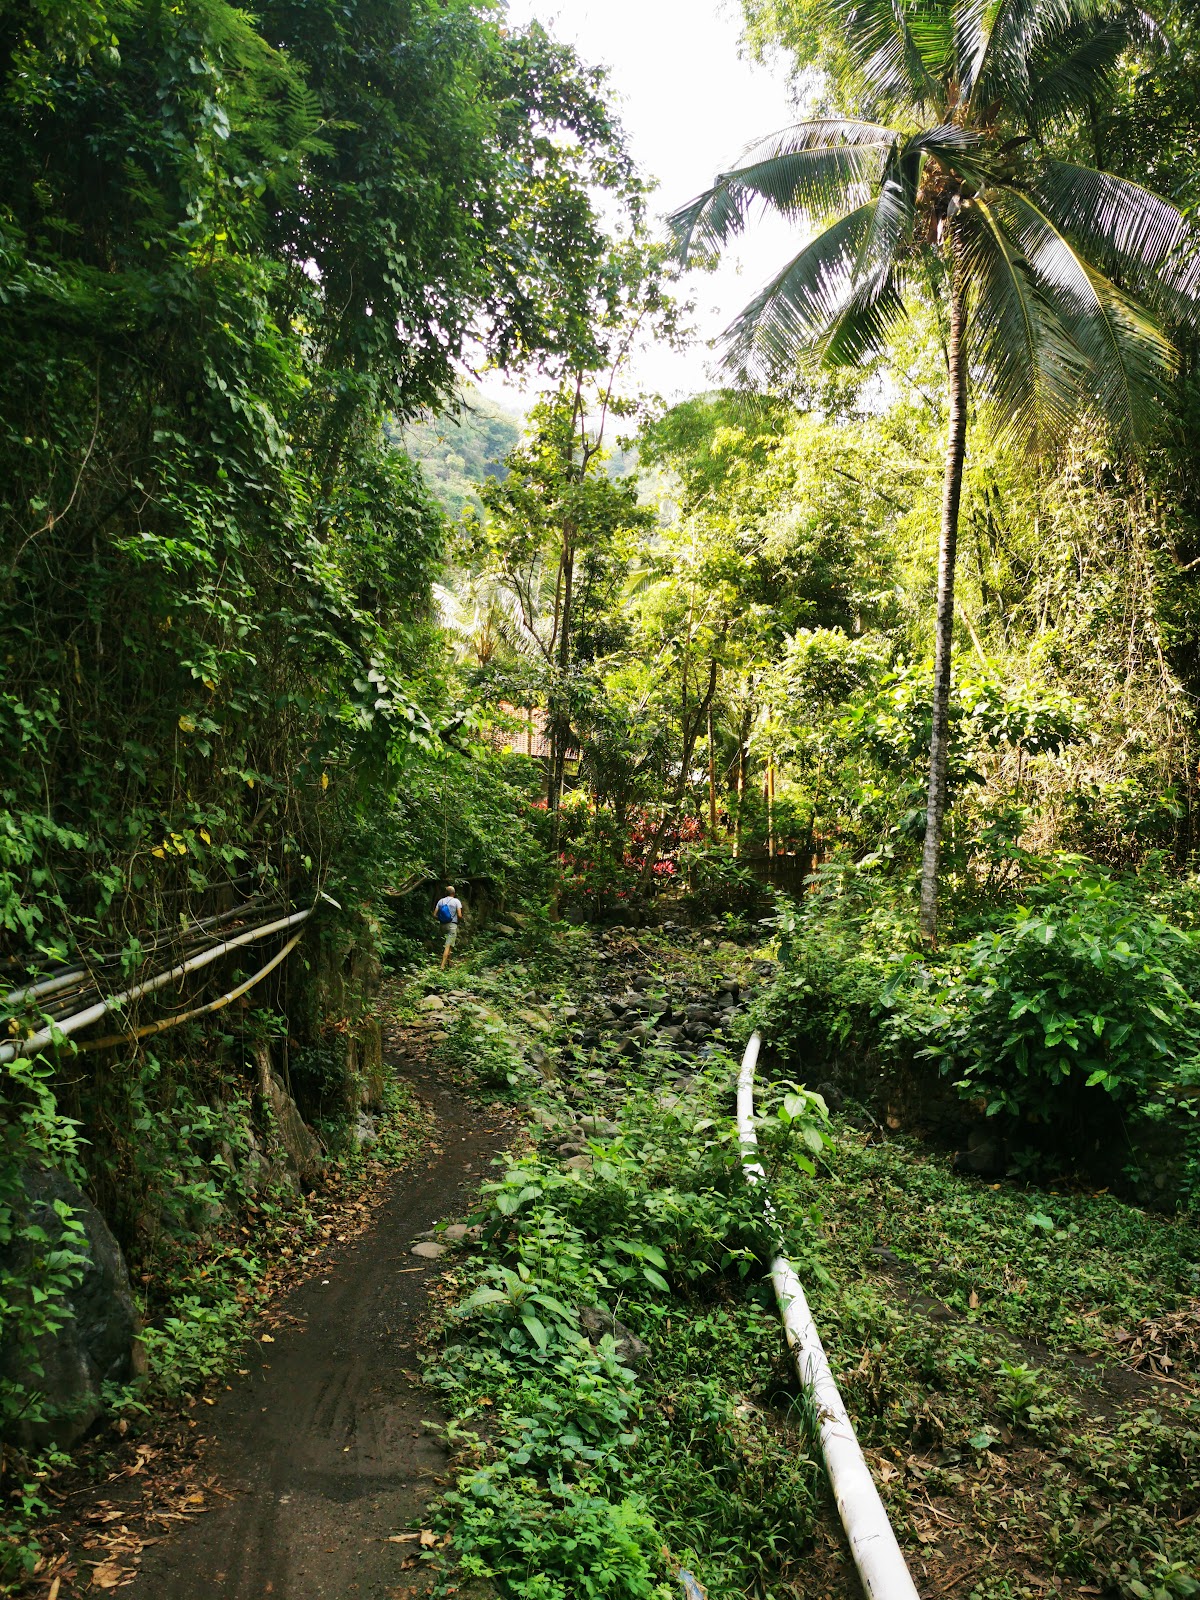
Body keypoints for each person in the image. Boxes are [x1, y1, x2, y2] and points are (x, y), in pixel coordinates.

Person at [434, 884, 465, 969]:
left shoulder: (441, 901)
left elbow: (434, 914)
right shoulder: (456, 901)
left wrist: (442, 919)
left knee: (449, 945)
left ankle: (449, 963)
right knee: (448, 945)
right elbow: (459, 915)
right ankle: (442, 966)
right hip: (452, 925)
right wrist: (461, 919)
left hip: (442, 926)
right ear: (454, 893)